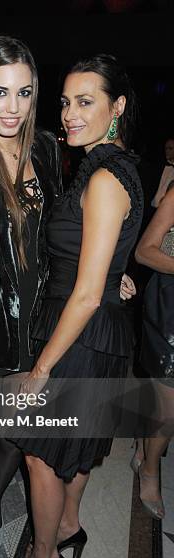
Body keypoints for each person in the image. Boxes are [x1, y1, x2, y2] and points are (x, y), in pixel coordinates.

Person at [0, 38, 135, 558]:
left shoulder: (44, 147)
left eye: (23, 93)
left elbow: (74, 226)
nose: (12, 107)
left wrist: (113, 270)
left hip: (39, 323)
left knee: (17, 437)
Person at [10, 54, 143, 558]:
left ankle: (43, 557)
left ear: (118, 107)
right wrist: (118, 276)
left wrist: (42, 366)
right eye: (65, 102)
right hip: (93, 331)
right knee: (78, 442)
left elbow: (86, 293)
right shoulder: (101, 166)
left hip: (79, 334)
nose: (68, 113)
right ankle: (67, 524)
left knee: (39, 452)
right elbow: (104, 260)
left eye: (85, 102)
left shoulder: (107, 176)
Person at [132, 179, 174, 519]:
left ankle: (145, 446)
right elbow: (144, 250)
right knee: (169, 406)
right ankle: (149, 470)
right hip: (170, 307)